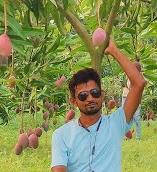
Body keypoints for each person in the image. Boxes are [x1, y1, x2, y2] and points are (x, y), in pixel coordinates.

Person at [51, 40, 147, 172]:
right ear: (74, 101)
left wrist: (114, 51)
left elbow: (139, 83)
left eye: (94, 93)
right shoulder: (61, 134)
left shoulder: (116, 124)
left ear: (102, 95)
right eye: (83, 95)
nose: (90, 98)